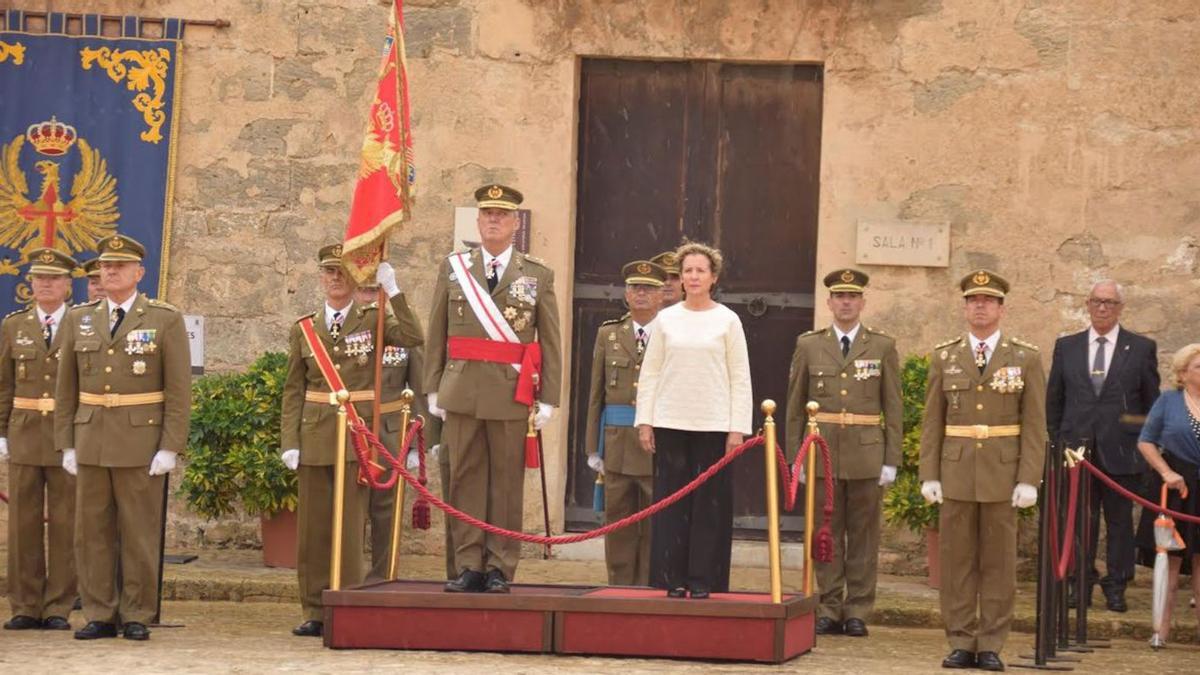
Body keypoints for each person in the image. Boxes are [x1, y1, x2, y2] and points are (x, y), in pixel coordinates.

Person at [279, 245, 424, 637]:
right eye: (329, 271)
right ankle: (313, 606)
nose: (335, 278)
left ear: (355, 277)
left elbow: (413, 336)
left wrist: (394, 292)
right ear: (321, 277)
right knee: (313, 530)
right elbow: (293, 390)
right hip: (314, 435)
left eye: (342, 271)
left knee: (347, 525)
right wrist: (288, 440)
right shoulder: (305, 328)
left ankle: (344, 602)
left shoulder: (375, 320)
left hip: (356, 438)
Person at [424, 184, 562, 594]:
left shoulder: (536, 274)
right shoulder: (453, 269)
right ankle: (468, 564)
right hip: (462, 390)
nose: (494, 220)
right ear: (478, 221)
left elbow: (550, 339)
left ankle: (501, 565)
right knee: (465, 478)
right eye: (487, 214)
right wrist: (433, 387)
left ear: (515, 223)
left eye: (502, 215)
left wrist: (550, 397)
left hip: (510, 394)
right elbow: (438, 331)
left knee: (504, 483)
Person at [54, 234, 191, 641]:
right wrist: (67, 442)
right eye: (104, 266)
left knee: (139, 532)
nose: (109, 271)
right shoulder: (79, 318)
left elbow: (179, 389)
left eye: (119, 266)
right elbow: (66, 389)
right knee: (91, 532)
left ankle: (136, 612)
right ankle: (99, 612)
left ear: (139, 273)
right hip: (91, 437)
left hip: (140, 443)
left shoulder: (163, 319)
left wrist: (170, 446)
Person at [919, 270, 1046, 671]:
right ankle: (960, 640)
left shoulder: (1025, 357)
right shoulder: (945, 356)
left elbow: (1035, 424)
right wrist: (929, 474)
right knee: (956, 564)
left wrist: (1029, 478)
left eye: (988, 300)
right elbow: (932, 422)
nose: (980, 306)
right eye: (973, 300)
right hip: (956, 473)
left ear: (1001, 308)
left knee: (998, 565)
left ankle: (991, 642)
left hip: (1002, 475)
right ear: (964, 306)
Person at [785, 268, 902, 637]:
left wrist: (892, 459)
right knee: (826, 533)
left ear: (863, 302)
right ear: (830, 302)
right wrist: (796, 458)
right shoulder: (809, 344)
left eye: (853, 296)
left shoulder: (882, 346)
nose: (846, 302)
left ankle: (858, 610)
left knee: (864, 535)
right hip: (822, 451)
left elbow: (894, 407)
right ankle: (829, 604)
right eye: (840, 296)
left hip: (867, 452)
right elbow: (794, 406)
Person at [635, 241, 752, 599]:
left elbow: (740, 376)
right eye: (688, 271)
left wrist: (737, 428)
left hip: (714, 425)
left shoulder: (728, 320)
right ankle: (673, 578)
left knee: (709, 507)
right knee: (672, 503)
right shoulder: (666, 320)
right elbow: (651, 372)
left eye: (701, 270)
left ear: (713, 277)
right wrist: (645, 420)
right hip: (671, 421)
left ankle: (704, 580)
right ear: (681, 278)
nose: (694, 276)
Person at [1046, 280, 1160, 612]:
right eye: (1097, 301)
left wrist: (1141, 444)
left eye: (1110, 302)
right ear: (1087, 304)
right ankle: (1079, 583)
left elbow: (1150, 404)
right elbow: (1055, 399)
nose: (1103, 308)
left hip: (1121, 453)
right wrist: (1058, 440)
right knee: (1079, 520)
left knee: (1120, 521)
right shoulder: (1066, 346)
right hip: (1076, 451)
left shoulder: (1140, 348)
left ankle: (1116, 585)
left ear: (1120, 308)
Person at [1, 249, 79, 631]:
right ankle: (25, 604)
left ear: (68, 285)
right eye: (38, 278)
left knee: (66, 522)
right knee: (23, 522)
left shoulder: (82, 324)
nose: (45, 284)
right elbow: (4, 385)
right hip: (25, 432)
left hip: (67, 437)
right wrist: (0, 432)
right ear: (29, 283)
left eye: (53, 278)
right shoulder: (13, 326)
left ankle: (59, 606)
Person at [350, 282, 444, 584]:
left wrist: (418, 446)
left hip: (389, 437)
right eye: (363, 290)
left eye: (374, 290)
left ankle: (381, 576)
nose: (368, 296)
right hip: (349, 433)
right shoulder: (341, 330)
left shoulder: (401, 333)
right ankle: (346, 578)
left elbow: (417, 387)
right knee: (348, 511)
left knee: (385, 514)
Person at [584, 260, 665, 586]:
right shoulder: (609, 334)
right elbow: (595, 395)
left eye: (649, 289)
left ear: (663, 296)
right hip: (616, 441)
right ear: (626, 294)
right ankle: (619, 586)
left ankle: (650, 585)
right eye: (635, 287)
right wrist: (593, 445)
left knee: (655, 520)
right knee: (618, 520)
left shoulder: (671, 334)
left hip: (657, 442)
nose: (641, 294)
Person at [1133, 343, 1200, 640]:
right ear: (1183, 373)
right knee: (1171, 562)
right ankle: (1161, 630)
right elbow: (1146, 441)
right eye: (1199, 366)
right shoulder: (1168, 401)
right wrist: (1166, 472)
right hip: (1176, 489)